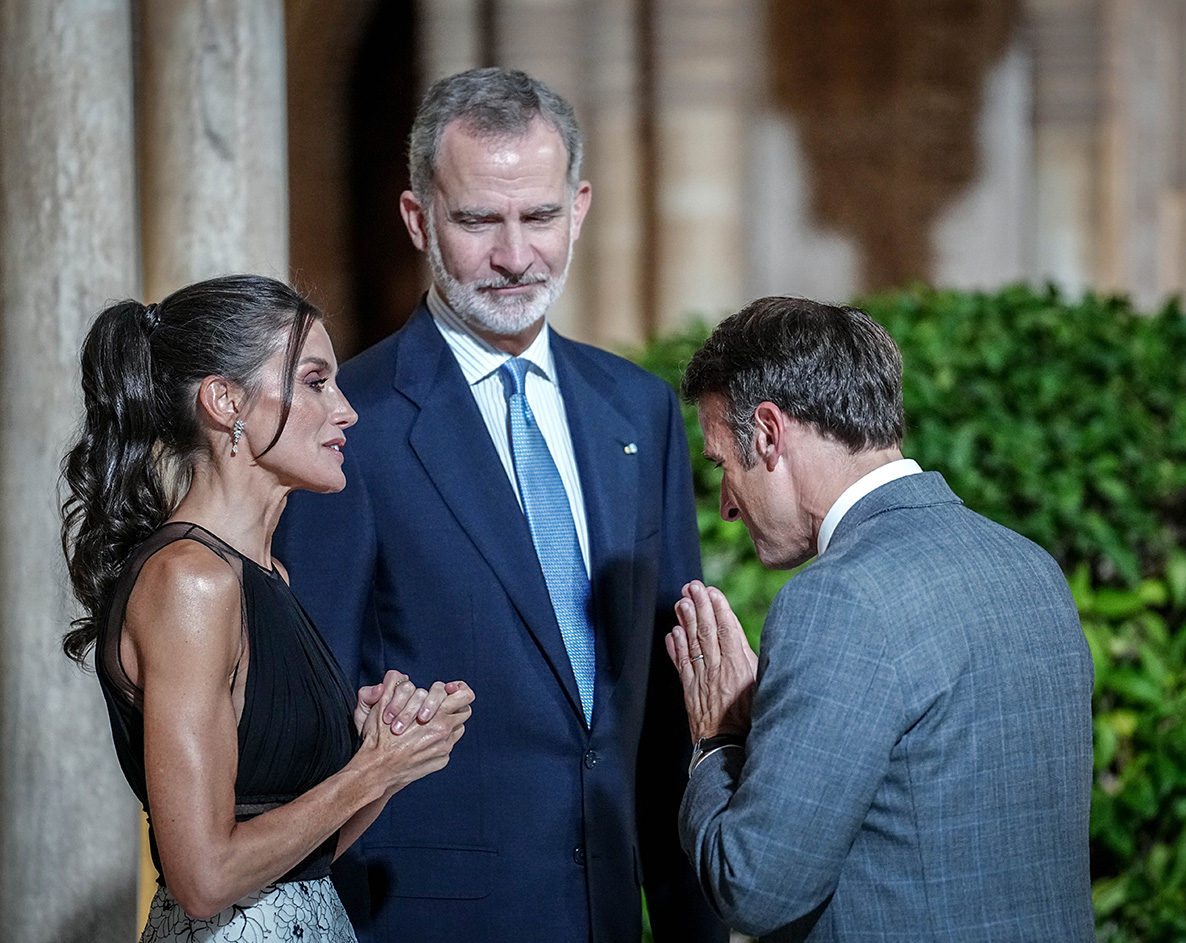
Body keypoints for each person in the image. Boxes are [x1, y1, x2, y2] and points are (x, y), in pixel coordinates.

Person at [275, 68, 725, 942]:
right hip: (424, 920)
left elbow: (668, 704)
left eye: (541, 217)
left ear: (581, 205)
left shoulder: (638, 408)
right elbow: (319, 716)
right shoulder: (346, 428)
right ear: (418, 219)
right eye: (479, 220)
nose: (516, 256)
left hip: (613, 914)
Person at [665, 295, 1095, 941]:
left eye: (723, 463)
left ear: (772, 434)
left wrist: (716, 739)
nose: (726, 503)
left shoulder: (836, 600)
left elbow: (753, 888)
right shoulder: (1032, 567)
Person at [60, 275, 474, 942]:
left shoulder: (266, 573)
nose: (346, 410)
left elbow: (304, 857)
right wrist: (370, 769)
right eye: (314, 381)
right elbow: (203, 879)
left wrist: (391, 754)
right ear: (226, 401)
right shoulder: (189, 581)